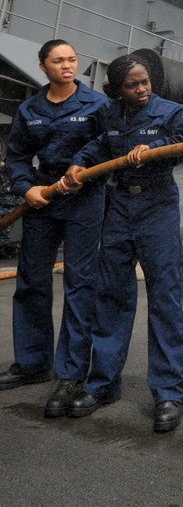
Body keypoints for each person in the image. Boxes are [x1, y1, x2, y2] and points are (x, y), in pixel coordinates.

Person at [62, 54, 183, 432]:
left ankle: (169, 392)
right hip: (120, 206)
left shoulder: (172, 112)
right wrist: (78, 163)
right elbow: (98, 146)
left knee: (165, 299)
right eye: (132, 85)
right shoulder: (110, 114)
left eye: (145, 82)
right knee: (111, 297)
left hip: (157, 206)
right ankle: (103, 384)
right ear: (118, 89)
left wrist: (159, 148)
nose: (141, 89)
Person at [0, 39, 109, 418]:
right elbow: (15, 155)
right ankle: (32, 363)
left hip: (84, 195)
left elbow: (107, 143)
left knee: (79, 283)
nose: (67, 66)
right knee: (31, 280)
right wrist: (25, 186)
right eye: (58, 61)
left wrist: (82, 163)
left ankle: (71, 373)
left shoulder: (97, 104)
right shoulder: (30, 109)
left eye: (72, 60)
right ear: (43, 67)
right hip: (43, 196)